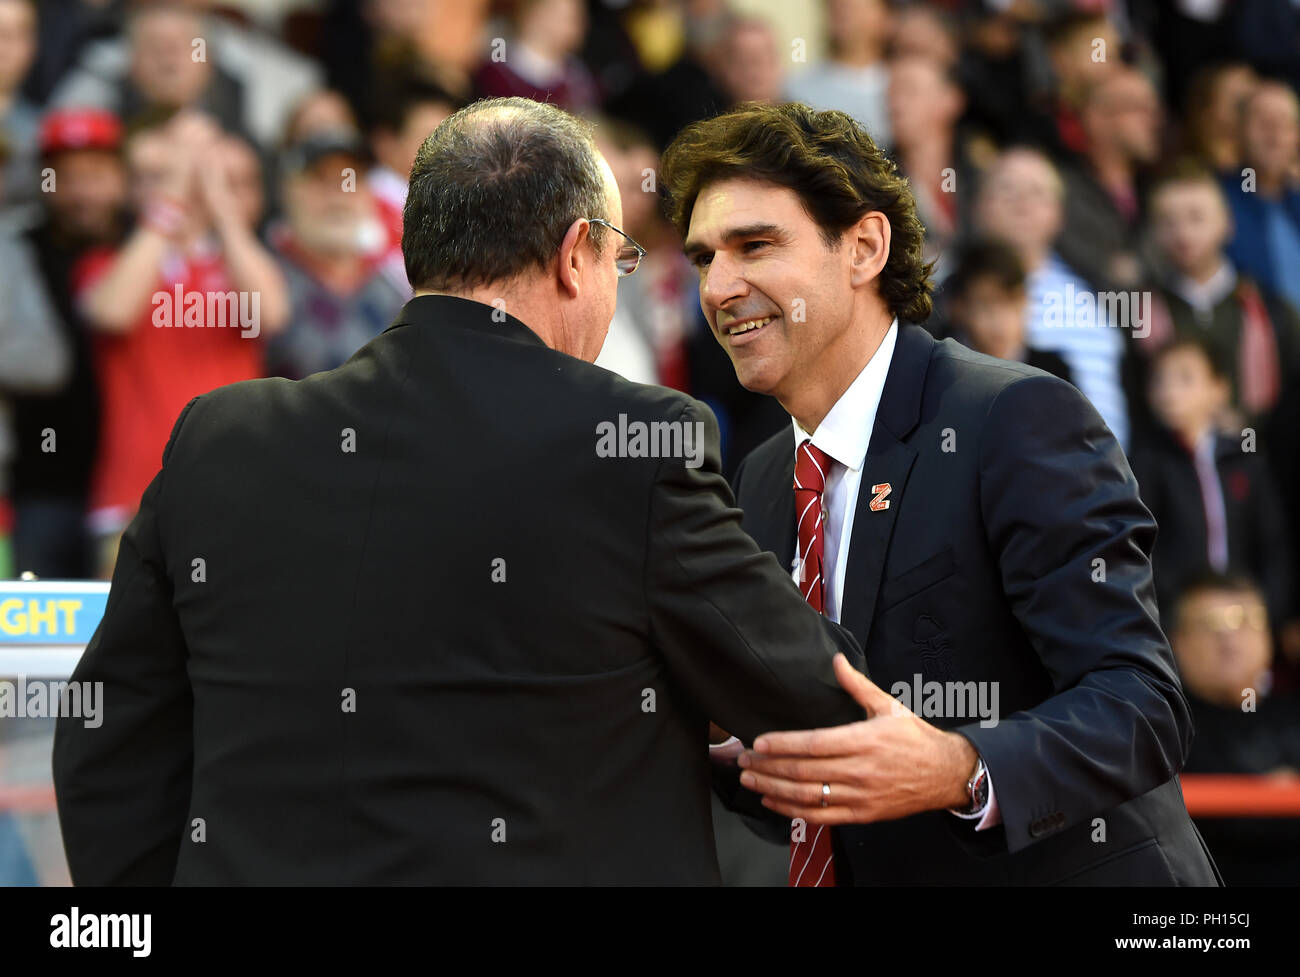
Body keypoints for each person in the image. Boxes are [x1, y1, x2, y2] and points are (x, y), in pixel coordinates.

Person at [52, 97, 867, 885]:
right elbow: (813, 697)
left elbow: (106, 738)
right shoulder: (635, 443)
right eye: (619, 259)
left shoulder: (220, 439)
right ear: (573, 253)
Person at [662, 101, 1219, 886]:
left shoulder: (1015, 416)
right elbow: (826, 787)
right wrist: (730, 733)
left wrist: (961, 767)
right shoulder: (756, 478)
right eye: (703, 259)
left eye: (755, 245)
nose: (719, 286)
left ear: (863, 246)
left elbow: (1142, 705)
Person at [1130, 336, 1294, 632]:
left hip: (1245, 618)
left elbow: (1272, 544)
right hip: (1176, 623)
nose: (1168, 391)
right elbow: (1140, 548)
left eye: (1185, 378)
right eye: (1158, 379)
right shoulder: (1143, 463)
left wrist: (1269, 614)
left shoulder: (1244, 458)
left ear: (1219, 388)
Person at [1169, 573, 1300, 885]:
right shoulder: (1163, 730)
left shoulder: (1291, 715)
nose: (1229, 639)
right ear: (1177, 641)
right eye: (1209, 623)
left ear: (1268, 635)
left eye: (1245, 620)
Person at [939, 239, 1073, 386]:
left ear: (1026, 302)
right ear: (959, 307)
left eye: (1011, 303)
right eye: (986, 305)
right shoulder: (939, 363)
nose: (999, 320)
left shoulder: (1053, 372)